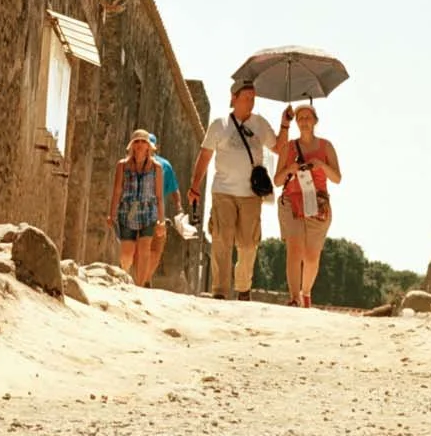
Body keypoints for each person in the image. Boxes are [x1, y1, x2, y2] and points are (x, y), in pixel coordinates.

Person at [188, 81, 276, 299]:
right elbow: (205, 156)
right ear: (234, 98)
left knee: (248, 244)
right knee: (221, 239)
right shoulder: (219, 124)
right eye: (247, 97)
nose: (251, 102)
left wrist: (284, 125)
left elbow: (279, 148)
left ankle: (243, 288)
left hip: (250, 195)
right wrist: (194, 185)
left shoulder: (260, 124)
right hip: (223, 191)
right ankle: (219, 290)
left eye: (253, 98)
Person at [273, 102, 341, 307]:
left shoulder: (326, 146)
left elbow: (337, 178)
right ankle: (294, 297)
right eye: (300, 118)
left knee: (311, 255)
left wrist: (321, 165)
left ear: (315, 121)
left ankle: (306, 292)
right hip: (291, 201)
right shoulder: (289, 147)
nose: (304, 121)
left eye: (308, 117)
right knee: (294, 248)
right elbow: (277, 181)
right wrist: (291, 169)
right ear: (296, 122)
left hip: (316, 203)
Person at [107, 128, 165, 287]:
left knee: (145, 249)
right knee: (127, 253)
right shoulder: (122, 166)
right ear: (132, 145)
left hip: (148, 212)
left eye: (143, 142)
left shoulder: (156, 168)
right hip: (128, 211)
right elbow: (117, 190)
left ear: (149, 146)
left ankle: (140, 285)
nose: (140, 145)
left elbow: (159, 196)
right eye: (137, 142)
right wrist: (111, 214)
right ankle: (125, 276)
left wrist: (161, 221)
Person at [145, 131, 181, 282]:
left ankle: (144, 279)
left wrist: (179, 208)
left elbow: (174, 189)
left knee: (155, 248)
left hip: (155, 211)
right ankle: (143, 279)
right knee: (149, 248)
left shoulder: (164, 166)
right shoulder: (131, 162)